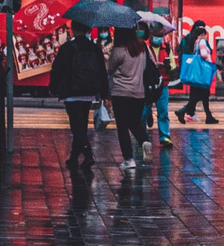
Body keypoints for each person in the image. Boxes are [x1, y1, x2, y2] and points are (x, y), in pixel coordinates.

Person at [54, 27, 109, 170]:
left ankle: (88, 154)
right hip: (89, 93)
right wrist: (104, 92)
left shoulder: (67, 48)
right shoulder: (94, 48)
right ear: (88, 30)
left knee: (77, 127)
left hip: (71, 93)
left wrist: (54, 87)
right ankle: (73, 157)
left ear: (73, 29)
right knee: (81, 125)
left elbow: (57, 69)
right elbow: (102, 71)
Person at [104, 25, 153, 166]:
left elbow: (108, 69)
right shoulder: (141, 50)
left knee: (122, 126)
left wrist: (106, 58)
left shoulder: (119, 51)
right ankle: (144, 141)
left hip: (121, 93)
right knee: (134, 123)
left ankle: (128, 159)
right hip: (139, 93)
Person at [175, 20, 217, 123]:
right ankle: (184, 111)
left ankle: (207, 116)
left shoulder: (191, 40)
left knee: (200, 95)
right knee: (200, 95)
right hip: (201, 71)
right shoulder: (201, 41)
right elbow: (204, 54)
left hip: (194, 71)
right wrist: (210, 63)